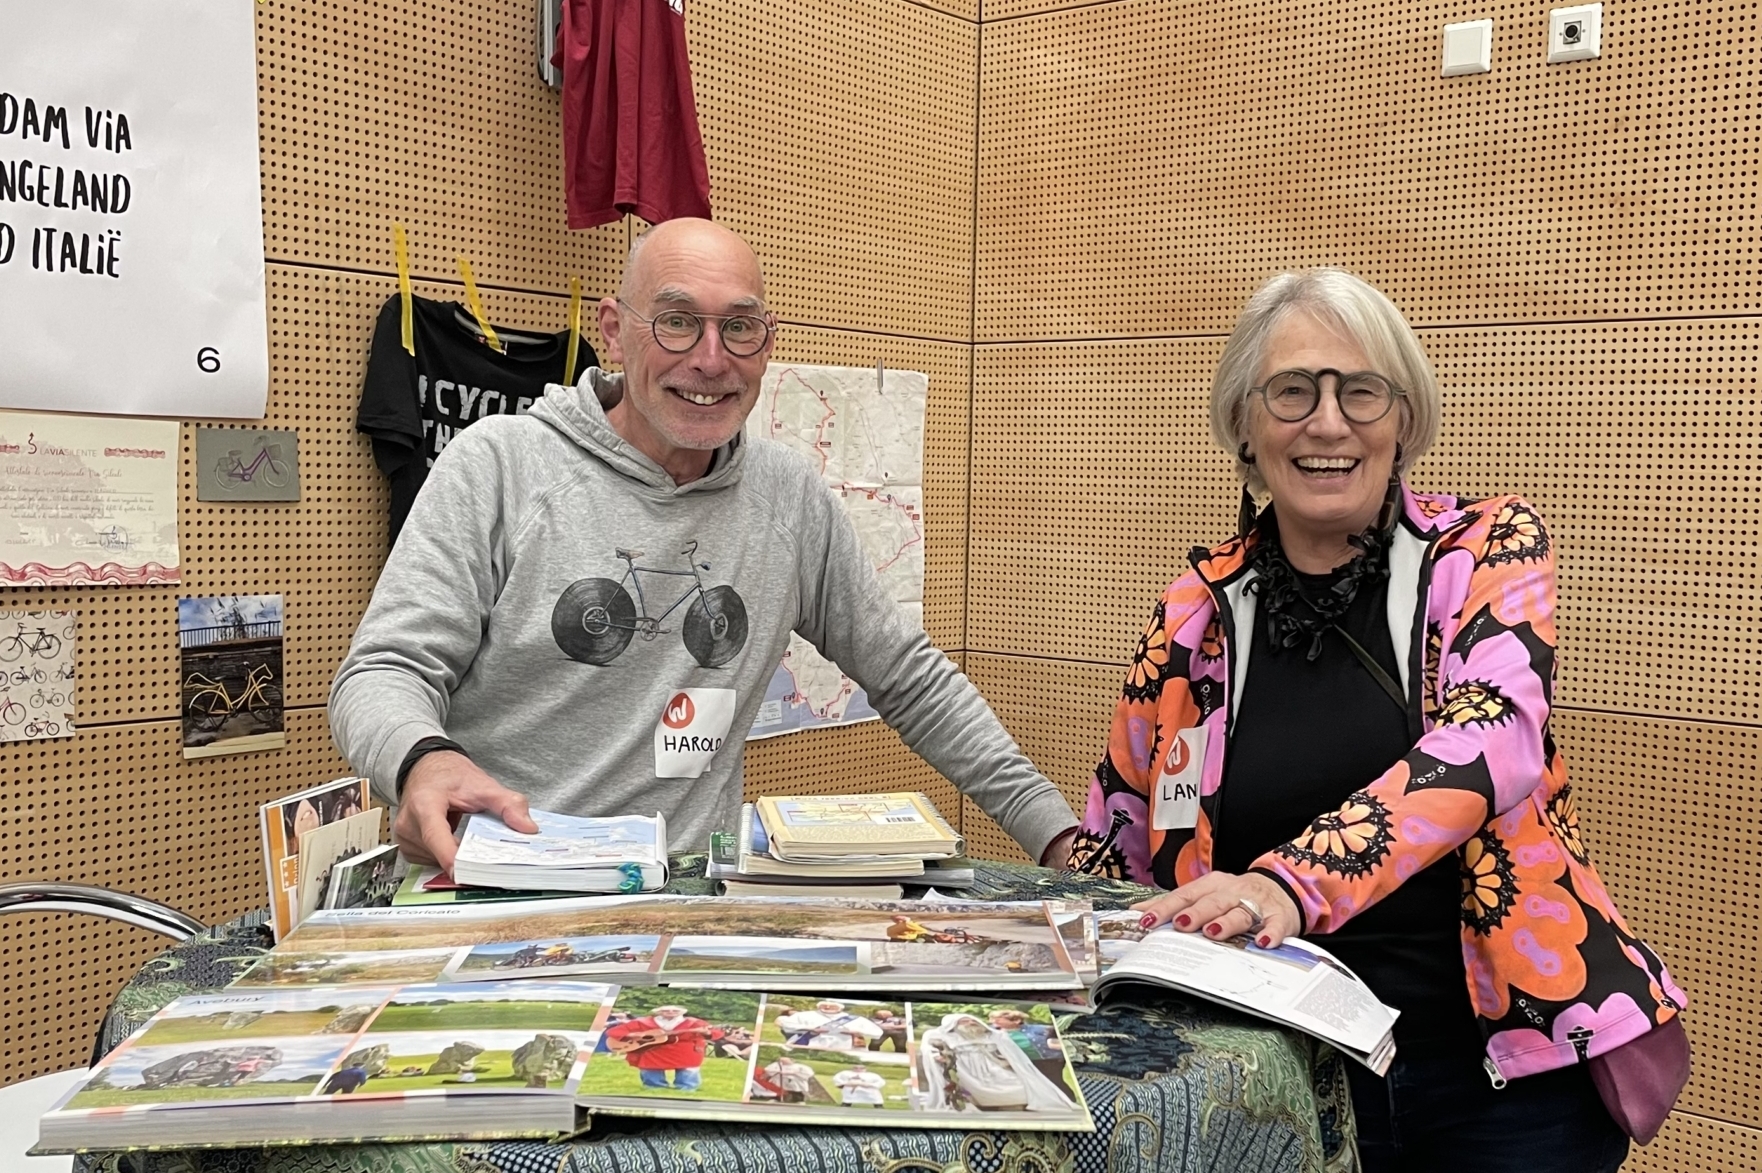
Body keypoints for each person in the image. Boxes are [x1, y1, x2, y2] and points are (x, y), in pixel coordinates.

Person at [1062, 268, 1685, 1172]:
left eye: (1361, 391)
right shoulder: (1192, 613)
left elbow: (1492, 735)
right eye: (1291, 390)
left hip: (1497, 1085)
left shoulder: (1483, 552)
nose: (1328, 422)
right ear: (1244, 421)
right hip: (1274, 1075)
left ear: (1403, 420)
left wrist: (1287, 882)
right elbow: (1118, 831)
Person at [329, 218, 1078, 868]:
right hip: (498, 888)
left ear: (766, 341)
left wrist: (1059, 836)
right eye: (677, 321)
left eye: (739, 326)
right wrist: (423, 760)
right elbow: (381, 673)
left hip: (686, 915)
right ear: (613, 329)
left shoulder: (788, 497)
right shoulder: (500, 464)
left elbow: (912, 680)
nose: (711, 359)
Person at [914, 1013, 1076, 1114]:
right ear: (954, 1025)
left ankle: (1013, 1104)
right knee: (972, 1090)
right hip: (965, 1070)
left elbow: (1008, 1052)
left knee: (1021, 1086)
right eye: (966, 1022)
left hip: (993, 1068)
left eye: (973, 1021)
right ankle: (987, 1104)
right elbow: (931, 1049)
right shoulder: (941, 1036)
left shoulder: (991, 1035)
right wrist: (939, 1056)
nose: (971, 1024)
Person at [604, 1003, 712, 1092]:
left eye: (675, 1010)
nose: (671, 1012)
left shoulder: (695, 1022)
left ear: (682, 1012)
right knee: (650, 1066)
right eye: (666, 1010)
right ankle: (654, 1087)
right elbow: (613, 1031)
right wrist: (632, 1035)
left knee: (689, 1067)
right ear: (659, 1012)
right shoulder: (643, 1022)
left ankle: (687, 1088)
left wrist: (706, 1032)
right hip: (652, 1049)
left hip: (684, 1049)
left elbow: (714, 1034)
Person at [774, 999, 881, 1050]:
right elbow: (786, 1024)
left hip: (844, 1045)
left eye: (832, 1006)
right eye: (824, 1005)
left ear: (840, 1007)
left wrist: (855, 1031)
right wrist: (810, 1028)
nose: (827, 1007)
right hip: (811, 1043)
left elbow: (877, 1032)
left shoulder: (856, 1019)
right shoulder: (804, 1015)